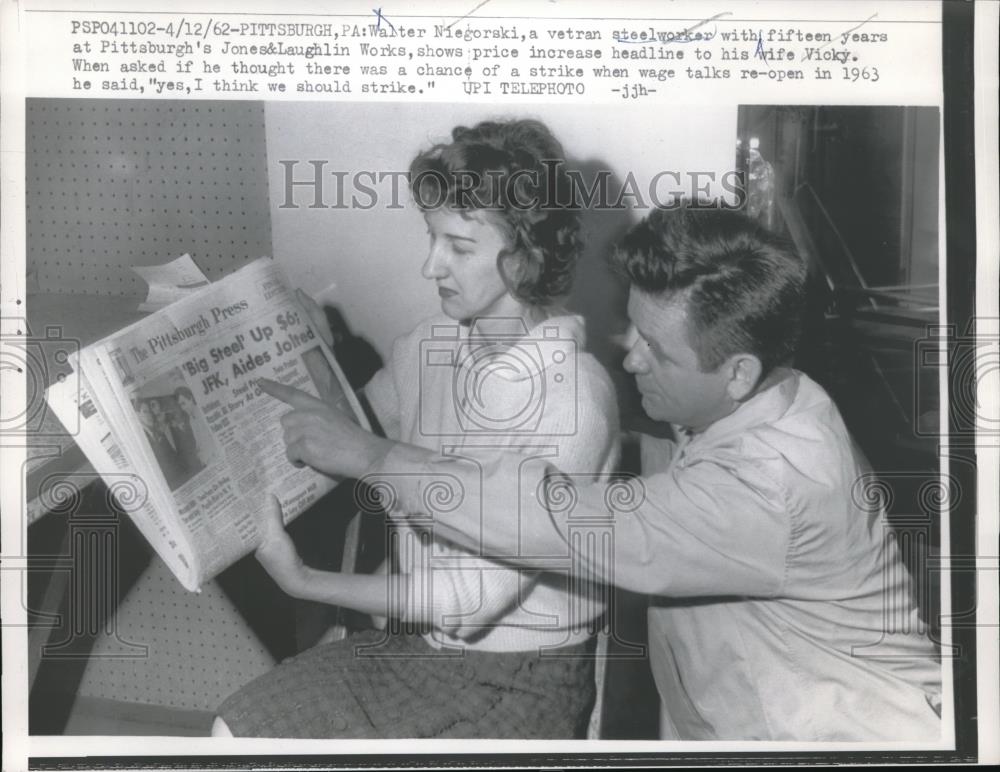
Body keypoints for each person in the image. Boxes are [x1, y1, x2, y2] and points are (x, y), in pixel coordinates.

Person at [278, 204, 943, 741]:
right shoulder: (778, 393)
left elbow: (570, 524)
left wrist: (373, 459)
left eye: (655, 350)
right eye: (632, 330)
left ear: (736, 373)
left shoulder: (773, 488)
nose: (627, 360)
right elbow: (676, 479)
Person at [213, 119, 620, 739]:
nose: (431, 265)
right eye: (433, 239)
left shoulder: (576, 402)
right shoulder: (429, 345)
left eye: (459, 247)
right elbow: (350, 439)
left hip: (521, 677)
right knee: (235, 728)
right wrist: (308, 348)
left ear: (527, 256)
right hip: (417, 645)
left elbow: (468, 599)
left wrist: (304, 581)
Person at [173, 386, 211, 474]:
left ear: (190, 398)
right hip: (205, 461)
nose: (183, 408)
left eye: (183, 403)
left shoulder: (203, 413)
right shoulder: (190, 419)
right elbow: (199, 441)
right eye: (180, 405)